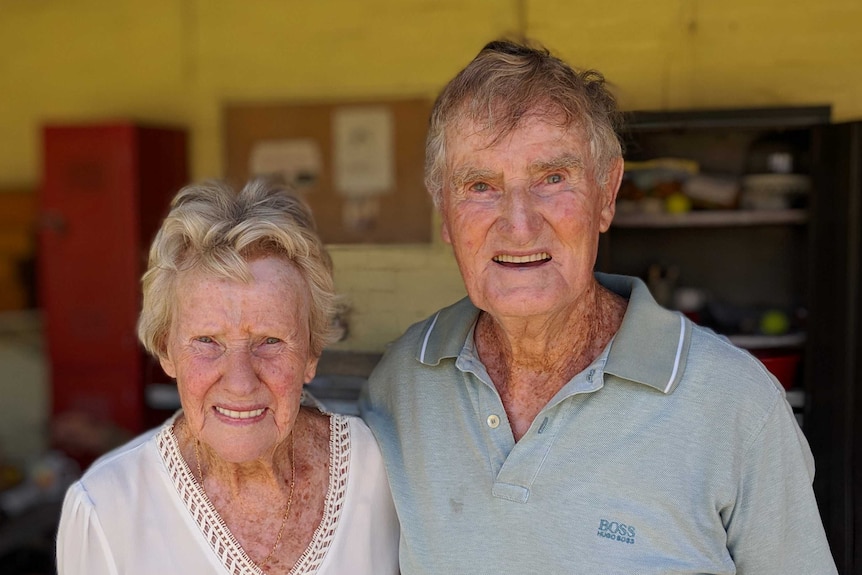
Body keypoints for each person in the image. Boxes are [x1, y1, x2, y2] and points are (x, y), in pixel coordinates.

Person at [360, 39, 838, 574]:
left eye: (552, 179)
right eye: (480, 185)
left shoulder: (737, 405)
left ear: (607, 193)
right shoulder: (402, 383)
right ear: (444, 213)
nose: (519, 224)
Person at [57, 179, 399, 574]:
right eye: (207, 341)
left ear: (312, 351)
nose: (240, 382)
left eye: (270, 340)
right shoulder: (105, 509)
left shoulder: (382, 470)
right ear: (167, 350)